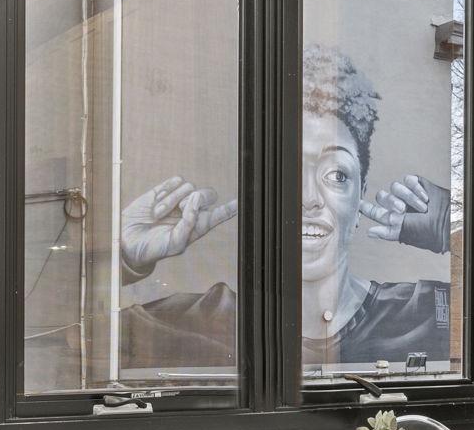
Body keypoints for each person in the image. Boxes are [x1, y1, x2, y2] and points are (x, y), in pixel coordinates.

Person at [111, 45, 452, 375]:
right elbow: (71, 341)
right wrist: (124, 260)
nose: (308, 198)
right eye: (286, 171)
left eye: (335, 174)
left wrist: (453, 230)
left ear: (360, 193)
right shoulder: (186, 325)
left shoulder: (426, 314)